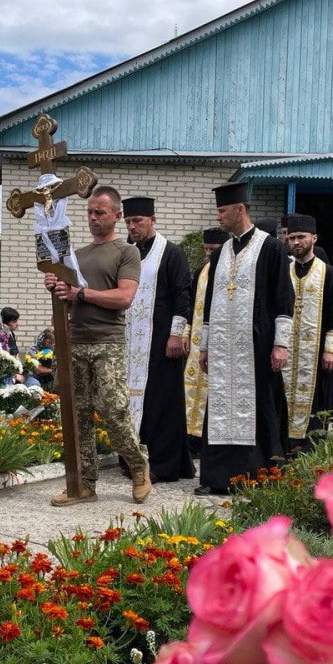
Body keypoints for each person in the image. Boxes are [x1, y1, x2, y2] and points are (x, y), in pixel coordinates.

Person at [43, 184, 151, 507]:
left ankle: (138, 465)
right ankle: (84, 484)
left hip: (107, 343)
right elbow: (67, 299)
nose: (92, 218)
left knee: (115, 412)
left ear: (116, 216)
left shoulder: (126, 252)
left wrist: (80, 293)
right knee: (79, 417)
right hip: (75, 343)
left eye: (99, 212)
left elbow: (125, 298)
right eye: (89, 212)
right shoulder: (76, 257)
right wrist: (56, 286)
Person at [197, 183, 292, 496]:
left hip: (258, 345)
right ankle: (217, 477)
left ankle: (258, 475)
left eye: (223, 211)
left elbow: (283, 297)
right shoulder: (222, 251)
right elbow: (210, 300)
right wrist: (206, 345)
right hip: (224, 347)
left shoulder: (272, 247)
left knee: (260, 405)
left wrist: (281, 343)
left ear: (241, 209)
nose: (219, 217)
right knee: (221, 404)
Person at [122, 196, 195, 483]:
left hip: (162, 339)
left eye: (137, 221)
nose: (132, 226)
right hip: (130, 341)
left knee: (162, 402)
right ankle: (134, 461)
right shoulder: (127, 252)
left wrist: (176, 334)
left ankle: (162, 465)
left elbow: (182, 295)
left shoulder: (171, 253)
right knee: (133, 401)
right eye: (128, 221)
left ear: (153, 219)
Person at [281, 213, 333, 450]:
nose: (296, 242)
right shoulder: (283, 271)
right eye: (292, 238)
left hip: (315, 352)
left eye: (301, 237)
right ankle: (284, 449)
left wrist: (330, 350)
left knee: (315, 399)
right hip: (286, 350)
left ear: (314, 238)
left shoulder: (329, 273)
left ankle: (309, 451)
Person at [183, 227, 227, 456]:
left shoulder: (230, 270)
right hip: (198, 339)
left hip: (219, 341)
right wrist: (186, 331)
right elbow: (191, 304)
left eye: (214, 249)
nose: (209, 253)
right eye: (207, 249)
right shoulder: (202, 269)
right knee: (192, 388)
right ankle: (193, 438)